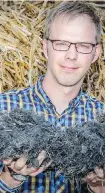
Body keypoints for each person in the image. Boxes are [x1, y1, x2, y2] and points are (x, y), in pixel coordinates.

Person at [0, 1, 104, 193]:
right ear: (45, 48)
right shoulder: (4, 107)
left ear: (96, 53)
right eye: (61, 44)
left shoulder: (102, 118)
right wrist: (11, 177)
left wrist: (98, 186)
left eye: (83, 45)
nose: (71, 55)